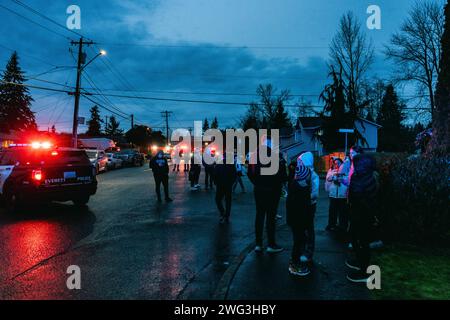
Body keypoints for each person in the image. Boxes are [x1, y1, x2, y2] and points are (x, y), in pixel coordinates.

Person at [248, 141, 287, 253]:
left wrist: (257, 183)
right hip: (273, 191)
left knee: (259, 215)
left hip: (259, 190)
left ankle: (258, 244)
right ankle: (271, 244)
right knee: (271, 217)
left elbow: (250, 173)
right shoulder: (276, 157)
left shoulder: (254, 157)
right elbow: (283, 176)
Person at [346, 153, 378, 283]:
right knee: (356, 239)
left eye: (355, 164)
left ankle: (365, 271)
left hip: (363, 216)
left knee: (362, 242)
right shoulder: (361, 177)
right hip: (358, 214)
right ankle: (360, 262)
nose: (353, 166)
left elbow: (358, 196)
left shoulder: (366, 179)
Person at [286, 157, 313, 276]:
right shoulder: (300, 190)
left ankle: (295, 262)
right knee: (298, 241)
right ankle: (294, 265)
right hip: (298, 221)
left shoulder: (296, 186)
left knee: (299, 241)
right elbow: (301, 208)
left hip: (297, 220)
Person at [297, 152, 319, 264]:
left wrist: (304, 197)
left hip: (309, 205)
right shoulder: (301, 174)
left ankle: (309, 252)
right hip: (302, 204)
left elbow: (315, 194)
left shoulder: (313, 175)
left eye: (301, 161)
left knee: (309, 228)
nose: (299, 163)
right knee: (302, 228)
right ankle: (302, 249)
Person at [325, 157, 347, 232]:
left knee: (342, 212)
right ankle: (331, 224)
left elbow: (347, 181)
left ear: (341, 163)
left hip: (342, 195)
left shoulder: (345, 171)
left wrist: (341, 177)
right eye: (335, 163)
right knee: (332, 211)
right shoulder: (331, 170)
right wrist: (333, 176)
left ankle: (342, 226)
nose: (336, 164)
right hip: (333, 195)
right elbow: (328, 178)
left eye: (338, 163)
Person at [214, 154, 237, 224]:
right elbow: (234, 175)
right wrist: (231, 183)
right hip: (228, 185)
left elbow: (215, 174)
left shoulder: (219, 164)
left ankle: (222, 212)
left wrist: (216, 182)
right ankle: (226, 215)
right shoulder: (231, 165)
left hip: (220, 185)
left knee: (218, 199)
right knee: (228, 201)